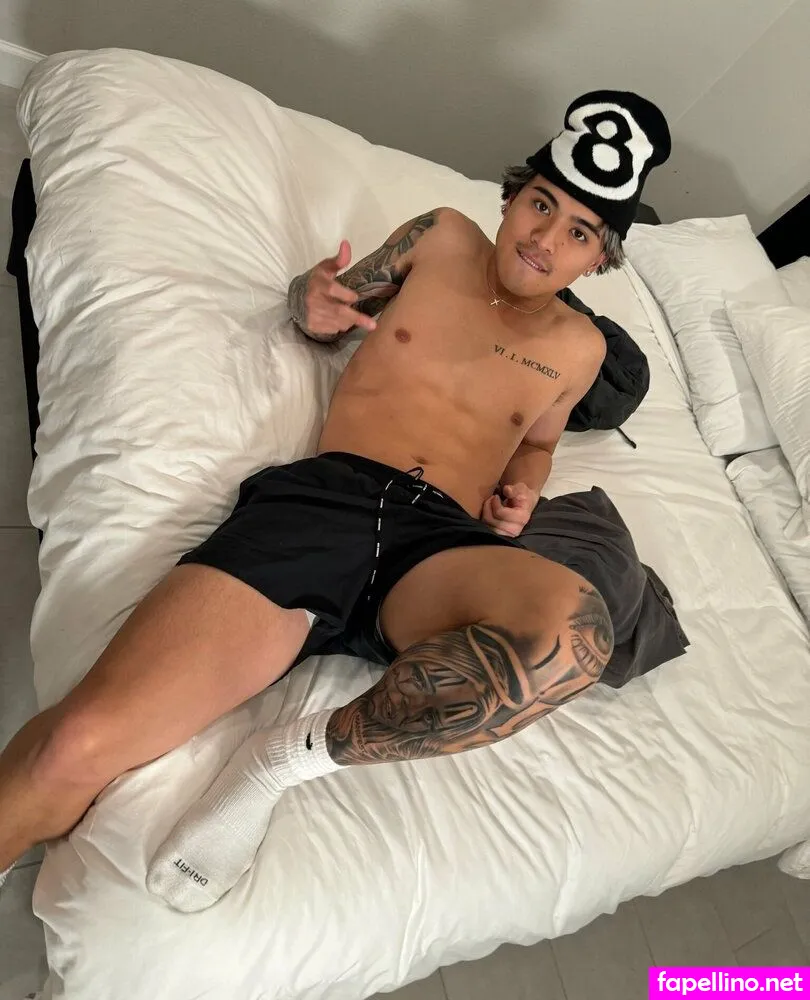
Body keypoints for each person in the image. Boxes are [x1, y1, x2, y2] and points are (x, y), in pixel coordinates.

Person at [0, 90, 670, 910]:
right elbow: (328, 304)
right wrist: (309, 303)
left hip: (441, 549)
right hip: (327, 502)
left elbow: (537, 443)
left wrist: (522, 492)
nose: (544, 238)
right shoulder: (440, 239)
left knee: (577, 636)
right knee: (75, 744)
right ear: (511, 196)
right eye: (540, 204)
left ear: (599, 262)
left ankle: (277, 763)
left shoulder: (581, 347)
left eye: (579, 233)